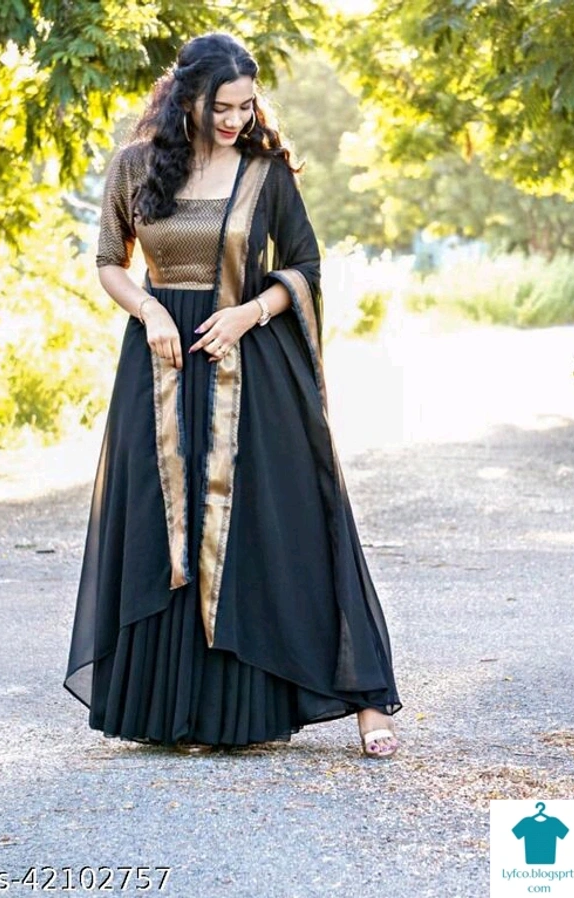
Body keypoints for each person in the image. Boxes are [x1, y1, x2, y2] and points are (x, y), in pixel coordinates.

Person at [63, 32, 402, 759]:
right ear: (186, 97)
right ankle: (175, 711)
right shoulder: (134, 166)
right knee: (161, 525)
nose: (235, 119)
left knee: (279, 523)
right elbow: (109, 261)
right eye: (222, 106)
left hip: (247, 366)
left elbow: (306, 265)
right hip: (158, 364)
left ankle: (364, 697)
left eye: (246, 106)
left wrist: (249, 314)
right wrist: (150, 311)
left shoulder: (265, 173)